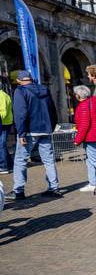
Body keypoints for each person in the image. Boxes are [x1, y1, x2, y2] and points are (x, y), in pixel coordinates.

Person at [11, 70, 60, 200]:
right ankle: (54, 188)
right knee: (48, 160)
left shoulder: (20, 91)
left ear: (19, 80)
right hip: (46, 128)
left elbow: (20, 113)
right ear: (31, 79)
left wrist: (21, 133)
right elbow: (53, 109)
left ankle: (19, 191)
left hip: (29, 130)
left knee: (20, 160)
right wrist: (52, 126)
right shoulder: (44, 89)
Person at [0, 83, 12, 174]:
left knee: (1, 145)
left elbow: (3, 111)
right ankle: (10, 164)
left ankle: (3, 167)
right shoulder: (4, 95)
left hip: (4, 123)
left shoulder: (2, 96)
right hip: (4, 122)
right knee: (2, 144)